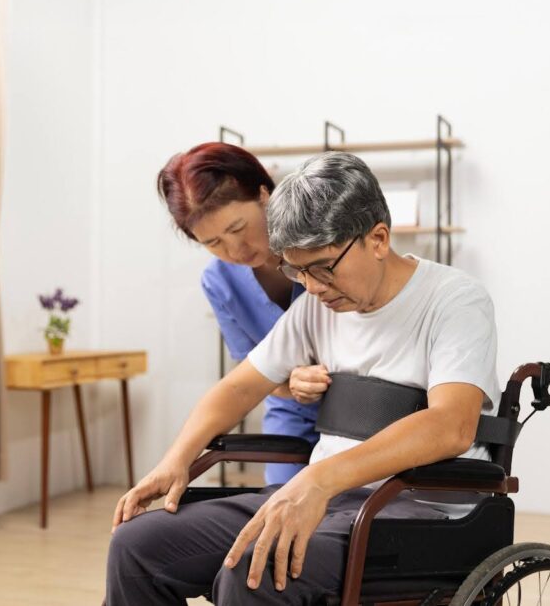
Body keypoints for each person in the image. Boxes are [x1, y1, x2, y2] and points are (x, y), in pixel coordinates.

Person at [109, 152, 499, 605]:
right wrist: (175, 460)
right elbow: (239, 387)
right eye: (297, 270)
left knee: (255, 570)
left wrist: (320, 480)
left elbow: (451, 426)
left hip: (421, 510)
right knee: (137, 547)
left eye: (323, 268)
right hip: (332, 498)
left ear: (377, 239)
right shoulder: (318, 307)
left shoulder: (454, 301)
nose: (310, 287)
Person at [158, 142, 326, 484]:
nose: (234, 250)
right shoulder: (219, 281)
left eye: (237, 229)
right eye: (213, 243)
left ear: (264, 194)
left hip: (359, 405)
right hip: (292, 414)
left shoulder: (325, 244)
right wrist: (290, 385)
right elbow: (247, 376)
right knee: (280, 497)